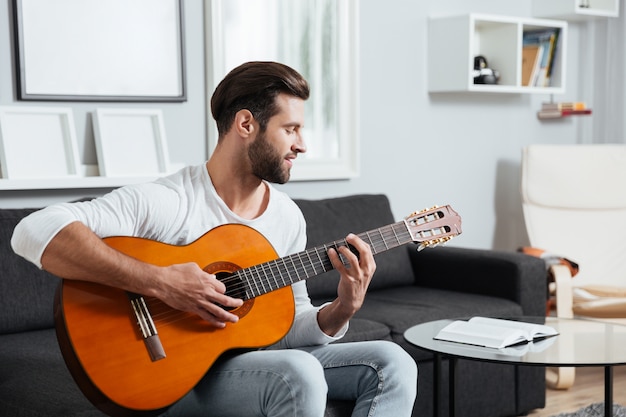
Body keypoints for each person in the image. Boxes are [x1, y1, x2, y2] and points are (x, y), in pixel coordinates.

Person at [11, 61, 417, 417]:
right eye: (290, 129)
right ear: (246, 125)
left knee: (393, 362)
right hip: (169, 375)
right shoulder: (169, 200)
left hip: (250, 365)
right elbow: (33, 231)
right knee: (301, 372)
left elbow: (288, 326)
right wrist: (161, 282)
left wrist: (344, 308)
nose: (302, 145)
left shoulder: (287, 216)